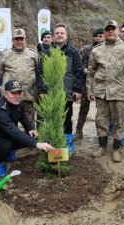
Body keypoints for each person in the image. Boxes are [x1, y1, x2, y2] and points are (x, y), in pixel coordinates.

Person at [87, 19, 124, 162]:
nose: (110, 31)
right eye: (108, 29)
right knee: (101, 120)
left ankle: (116, 149)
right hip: (101, 91)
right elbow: (91, 72)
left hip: (120, 91)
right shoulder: (96, 50)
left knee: (119, 121)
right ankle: (102, 147)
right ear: (104, 32)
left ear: (117, 31)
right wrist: (90, 89)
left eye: (113, 29)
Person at [0, 79, 53, 178]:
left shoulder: (18, 103)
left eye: (19, 93)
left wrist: (30, 129)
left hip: (6, 133)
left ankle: (8, 152)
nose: (17, 96)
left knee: (30, 136)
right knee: (6, 145)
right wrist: (36, 144)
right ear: (5, 94)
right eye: (13, 93)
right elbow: (12, 130)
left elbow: (23, 117)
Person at [37, 23, 84, 154]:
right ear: (52, 37)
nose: (59, 35)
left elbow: (79, 72)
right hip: (50, 93)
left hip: (66, 93)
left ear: (66, 36)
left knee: (67, 118)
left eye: (62, 33)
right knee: (50, 118)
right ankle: (50, 143)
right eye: (57, 33)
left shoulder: (73, 52)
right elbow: (40, 73)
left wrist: (77, 90)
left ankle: (68, 144)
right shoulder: (46, 53)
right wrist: (42, 91)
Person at [0, 28, 39, 127]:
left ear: (25, 40)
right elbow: (0, 73)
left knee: (29, 125)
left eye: (21, 39)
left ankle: (30, 142)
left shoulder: (33, 54)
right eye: (16, 39)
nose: (19, 41)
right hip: (10, 98)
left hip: (28, 96)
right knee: (10, 125)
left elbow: (38, 72)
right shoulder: (4, 55)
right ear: (12, 40)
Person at [74, 28, 104, 140]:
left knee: (102, 110)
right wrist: (84, 70)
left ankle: (101, 134)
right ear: (93, 37)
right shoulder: (86, 49)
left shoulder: (107, 49)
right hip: (87, 83)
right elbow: (78, 63)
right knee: (83, 108)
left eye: (100, 36)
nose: (98, 38)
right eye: (96, 36)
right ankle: (78, 130)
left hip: (102, 84)